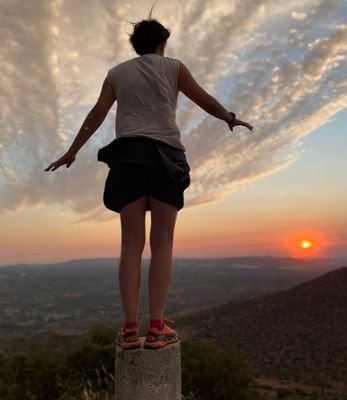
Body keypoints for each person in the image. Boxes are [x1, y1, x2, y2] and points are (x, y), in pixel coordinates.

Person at [44, 18, 253, 350]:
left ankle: (130, 330)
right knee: (163, 243)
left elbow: (97, 113)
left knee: (130, 245)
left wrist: (72, 151)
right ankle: (156, 328)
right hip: (166, 158)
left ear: (135, 45)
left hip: (128, 157)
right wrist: (229, 118)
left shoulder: (117, 73)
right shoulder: (174, 67)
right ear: (162, 42)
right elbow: (206, 101)